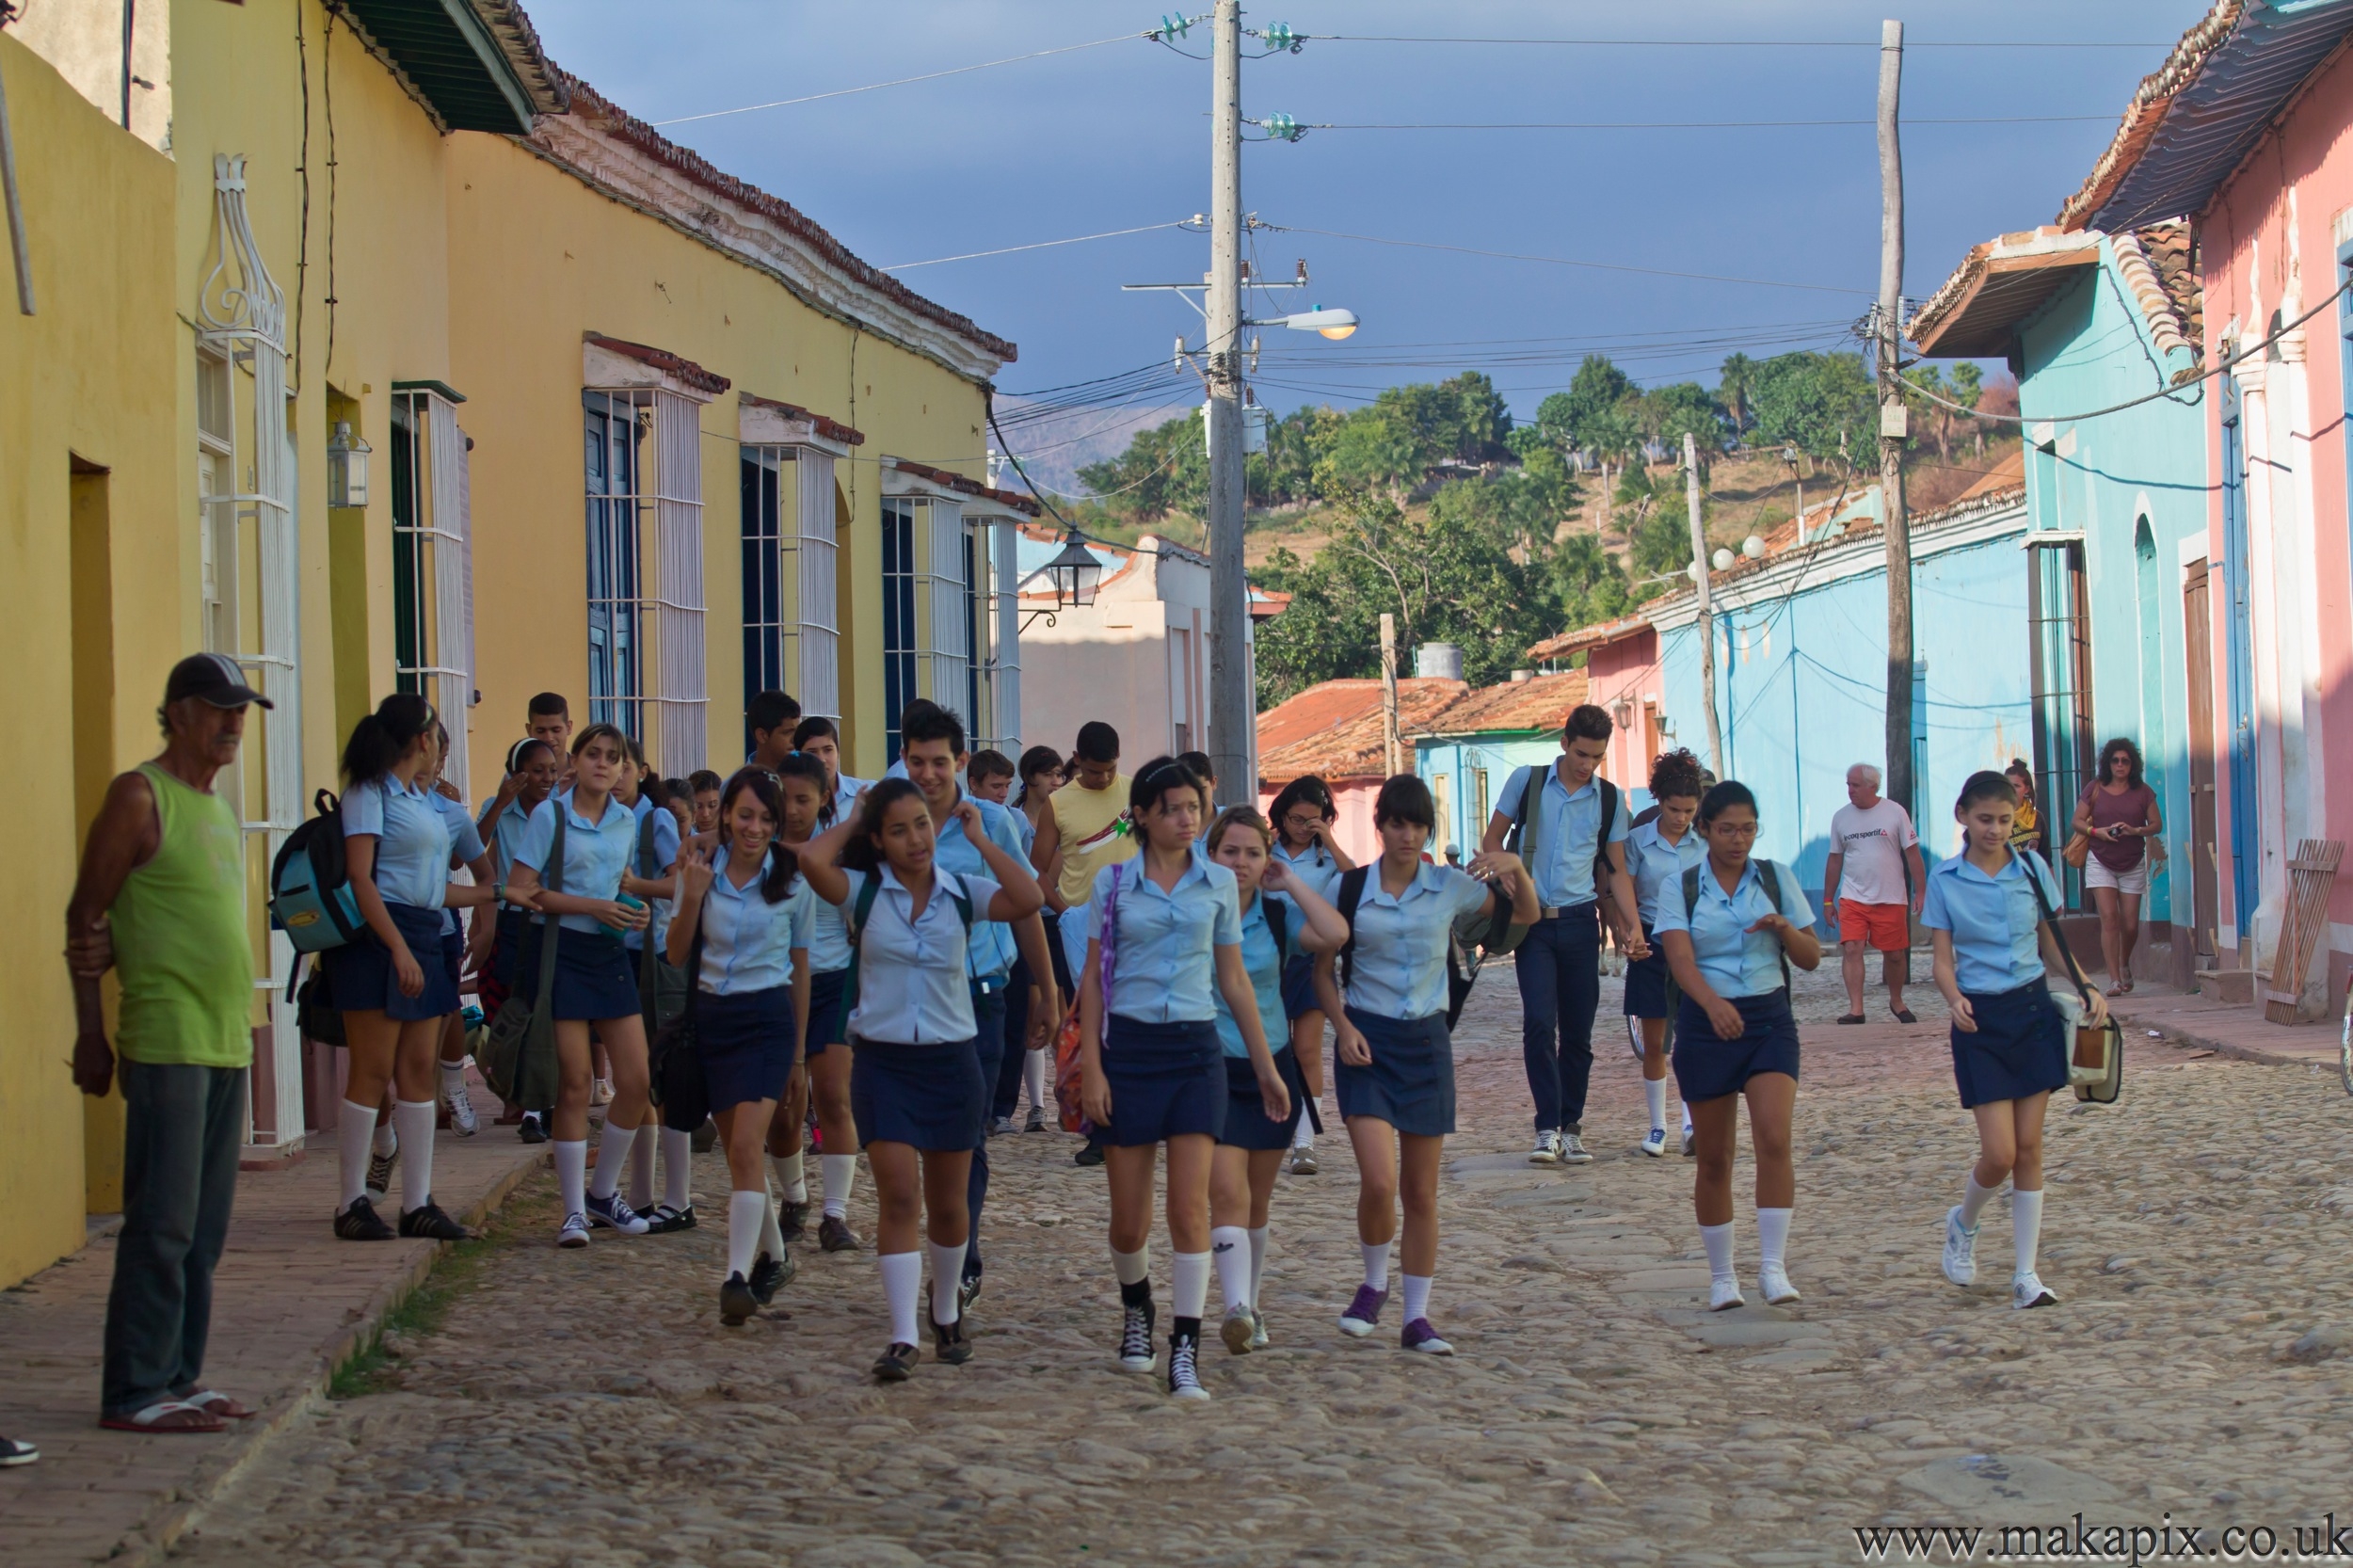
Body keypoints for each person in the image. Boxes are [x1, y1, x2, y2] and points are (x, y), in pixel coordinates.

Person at [66, 653, 270, 1433]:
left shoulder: (214, 805)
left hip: (225, 1042)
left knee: (204, 1230)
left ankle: (180, 1374)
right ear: (178, 712)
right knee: (162, 1223)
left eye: (240, 713)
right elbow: (87, 917)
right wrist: (91, 1034)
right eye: (219, 710)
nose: (231, 725)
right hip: (167, 1037)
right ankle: (134, 1390)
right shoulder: (138, 796)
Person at [794, 779, 1044, 1381]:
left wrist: (981, 840)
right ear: (879, 841)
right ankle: (903, 1334)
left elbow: (1030, 896)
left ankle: (945, 1307)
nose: (916, 839)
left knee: (950, 1204)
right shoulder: (862, 891)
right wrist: (856, 818)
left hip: (950, 1062)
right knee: (900, 1196)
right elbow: (808, 859)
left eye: (923, 826)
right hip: (882, 1064)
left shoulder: (962, 893)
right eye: (899, 829)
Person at [1079, 759, 1289, 1400]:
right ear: (1141, 814)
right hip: (1130, 1050)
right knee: (1128, 1219)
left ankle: (1186, 1348)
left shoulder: (1218, 886)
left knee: (1188, 1207)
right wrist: (1091, 1066)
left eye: (1193, 807)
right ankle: (1137, 1309)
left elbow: (1234, 981)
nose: (1185, 818)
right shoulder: (1112, 885)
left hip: (1197, 1053)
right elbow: (1091, 981)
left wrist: (1265, 1065)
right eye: (1171, 807)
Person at [1316, 776, 1536, 1354]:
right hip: (1365, 1041)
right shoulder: (1351, 889)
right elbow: (1321, 973)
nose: (1406, 834)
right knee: (1378, 1181)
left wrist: (1514, 865)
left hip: (1425, 1043)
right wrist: (1342, 1029)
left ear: (1427, 831)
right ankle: (1372, 1283)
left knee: (1420, 1191)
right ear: (1380, 825)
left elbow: (1523, 920)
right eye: (1396, 823)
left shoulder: (1449, 887)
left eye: (1417, 825)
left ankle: (1418, 1317)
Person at [1926, 771, 2108, 1312]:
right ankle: (1964, 1222)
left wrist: (2087, 985)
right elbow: (1940, 959)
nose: (1995, 830)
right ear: (1963, 816)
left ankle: (2026, 1274)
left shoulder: (2031, 868)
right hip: (1979, 1020)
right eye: (1986, 819)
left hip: (2032, 1010)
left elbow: (2053, 941)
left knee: (2030, 1149)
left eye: (2005, 820)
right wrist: (1953, 997)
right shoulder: (1945, 880)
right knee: (1999, 1153)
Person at [899, 707, 1061, 1308]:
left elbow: (1025, 906)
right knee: (910, 1143)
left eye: (939, 761)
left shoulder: (992, 822)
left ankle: (960, 1261)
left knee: (967, 1138)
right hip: (908, 1004)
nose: (928, 772)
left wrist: (1045, 989)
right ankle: (939, 1249)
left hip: (980, 996)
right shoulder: (891, 822)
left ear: (960, 762)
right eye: (916, 760)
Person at [323, 696, 498, 1242]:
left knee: (419, 1071)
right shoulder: (368, 791)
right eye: (433, 732)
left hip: (424, 931)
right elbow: (362, 879)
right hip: (380, 940)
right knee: (372, 1072)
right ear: (420, 739)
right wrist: (396, 947)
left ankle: (417, 1202)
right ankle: (351, 1201)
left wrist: (496, 893)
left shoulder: (423, 801)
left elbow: (430, 885)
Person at [500, 723, 677, 1247]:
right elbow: (520, 890)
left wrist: (634, 912)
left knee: (637, 1079)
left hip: (607, 952)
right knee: (576, 1083)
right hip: (559, 953)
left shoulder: (626, 821)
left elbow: (618, 886)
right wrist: (591, 906)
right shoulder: (549, 815)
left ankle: (603, 1194)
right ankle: (573, 1211)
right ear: (574, 760)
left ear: (626, 768)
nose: (603, 764)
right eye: (593, 754)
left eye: (613, 757)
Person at [1653, 780, 1822, 1311]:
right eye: (1726, 829)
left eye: (1748, 829)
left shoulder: (1775, 879)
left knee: (1774, 1138)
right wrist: (1711, 1003)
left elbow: (1812, 956)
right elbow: (1680, 961)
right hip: (1707, 1026)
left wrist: (1784, 929)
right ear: (1704, 829)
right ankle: (1722, 1276)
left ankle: (1773, 1267)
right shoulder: (1680, 889)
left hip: (1769, 1019)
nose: (1738, 839)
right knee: (1715, 1157)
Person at [665, 768, 814, 1324]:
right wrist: (693, 897)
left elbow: (800, 969)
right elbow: (676, 953)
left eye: (766, 819)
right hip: (713, 1020)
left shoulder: (792, 878)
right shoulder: (698, 869)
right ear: (725, 814)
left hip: (768, 1020)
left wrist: (798, 1055)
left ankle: (734, 1275)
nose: (754, 828)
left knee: (750, 1145)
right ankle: (776, 1258)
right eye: (745, 815)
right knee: (741, 1154)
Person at [1202, 808, 1349, 1354]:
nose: (1240, 862)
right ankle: (1235, 1306)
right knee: (1225, 1190)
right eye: (1229, 851)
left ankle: (1252, 1303)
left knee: (1257, 1200)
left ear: (1267, 858)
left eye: (1252, 853)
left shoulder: (1276, 914)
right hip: (1210, 1066)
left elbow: (1335, 932)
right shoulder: (1193, 910)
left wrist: (1288, 880)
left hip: (1272, 1067)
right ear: (1210, 854)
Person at [1481, 704, 1642, 1167]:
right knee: (1537, 1024)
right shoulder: (1527, 782)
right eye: (1580, 753)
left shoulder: (1609, 801)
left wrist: (1630, 928)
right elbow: (1493, 839)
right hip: (1531, 923)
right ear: (1564, 742)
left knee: (1578, 1033)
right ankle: (1546, 1127)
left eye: (1596, 756)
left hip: (1579, 922)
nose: (1587, 764)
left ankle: (1572, 1127)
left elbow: (1617, 872)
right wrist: (1508, 874)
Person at [1033, 721, 1138, 1166]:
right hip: (1083, 932)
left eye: (1110, 769)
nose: (1103, 779)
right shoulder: (1057, 805)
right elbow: (1036, 868)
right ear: (1077, 760)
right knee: (1091, 1029)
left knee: (1133, 1025)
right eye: (1094, 771)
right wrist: (1063, 911)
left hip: (1139, 925)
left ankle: (1136, 1121)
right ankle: (1099, 1130)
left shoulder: (1139, 793)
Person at [788, 719, 865, 1248]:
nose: (796, 809)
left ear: (823, 800)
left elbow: (860, 907)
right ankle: (793, 1195)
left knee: (835, 1096)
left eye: (806, 799)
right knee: (786, 1104)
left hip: (835, 979)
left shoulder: (843, 845)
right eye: (788, 798)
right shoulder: (756, 845)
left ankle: (835, 1214)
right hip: (776, 984)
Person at [1265, 776, 1355, 1176]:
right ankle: (1266, 1132)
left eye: (1311, 820)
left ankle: (1304, 1142)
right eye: (1295, 818)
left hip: (1312, 962)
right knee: (1266, 1050)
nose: (1301, 826)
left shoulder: (1327, 859)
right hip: (1265, 962)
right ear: (1281, 815)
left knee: (1306, 1051)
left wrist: (1329, 840)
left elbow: (1355, 882)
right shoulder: (1265, 850)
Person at [1623, 748, 1707, 1159]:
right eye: (1675, 809)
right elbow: (1626, 892)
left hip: (1693, 947)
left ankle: (1691, 1124)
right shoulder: (1637, 842)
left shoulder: (1704, 845)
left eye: (1689, 811)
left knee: (1694, 1040)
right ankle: (1657, 1126)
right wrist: (1630, 932)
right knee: (1655, 1043)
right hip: (1652, 945)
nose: (1681, 818)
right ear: (1659, 802)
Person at [477, 735, 563, 1139]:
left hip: (556, 918)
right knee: (516, 1009)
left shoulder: (562, 809)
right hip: (515, 921)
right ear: (517, 774)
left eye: (552, 770)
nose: (547, 778)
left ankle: (542, 1105)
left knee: (550, 1011)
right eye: (536, 770)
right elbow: (472, 849)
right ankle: (521, 1100)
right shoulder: (502, 811)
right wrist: (497, 803)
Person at [1000, 746, 1070, 1134]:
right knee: (1032, 1012)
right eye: (1052, 775)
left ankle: (1062, 1096)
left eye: (1061, 775)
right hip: (1027, 918)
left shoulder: (1063, 816)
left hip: (1063, 919)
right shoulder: (1013, 818)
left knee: (1060, 1010)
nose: (1057, 782)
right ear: (1031, 779)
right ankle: (1036, 1105)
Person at [1822, 763, 1927, 1025]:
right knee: (1853, 948)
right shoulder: (1841, 817)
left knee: (1894, 954)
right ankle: (1856, 1008)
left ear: (1872, 786)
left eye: (1855, 785)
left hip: (1890, 897)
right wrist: (1827, 900)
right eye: (1848, 784)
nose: (1850, 790)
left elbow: (1913, 854)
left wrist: (1922, 891)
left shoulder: (1895, 812)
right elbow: (1834, 860)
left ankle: (1896, 1000)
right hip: (1853, 897)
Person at [2072, 738, 2161, 997]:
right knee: (2110, 918)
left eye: (2125, 761)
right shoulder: (2094, 788)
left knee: (2130, 925)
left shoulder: (2143, 791)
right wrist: (2096, 832)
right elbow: (2077, 820)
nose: (2120, 765)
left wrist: (2136, 830)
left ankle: (2124, 962)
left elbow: (2157, 824)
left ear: (2132, 765)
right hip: (2100, 860)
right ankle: (2113, 979)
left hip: (2132, 861)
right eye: (2115, 760)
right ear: (2107, 763)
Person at [747, 689, 802, 772]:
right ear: (762, 736)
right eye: (787, 732)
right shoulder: (736, 783)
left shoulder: (806, 779)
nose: (795, 739)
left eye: (797, 731)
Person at [2004, 760, 2043, 859]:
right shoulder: (1996, 817)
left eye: (2016, 786)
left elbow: (2046, 858)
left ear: (2027, 789)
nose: (2011, 789)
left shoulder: (2036, 818)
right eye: (2007, 784)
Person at [687, 769, 725, 837]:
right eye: (698, 806)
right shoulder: (684, 837)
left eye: (712, 805)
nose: (705, 814)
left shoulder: (736, 838)